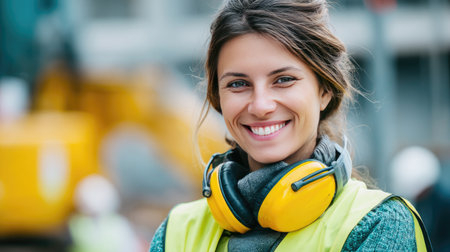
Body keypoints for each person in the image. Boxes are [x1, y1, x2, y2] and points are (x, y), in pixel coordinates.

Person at [150, 0, 432, 251]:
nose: (260, 106)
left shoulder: (378, 225)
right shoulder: (176, 232)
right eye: (238, 84)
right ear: (218, 98)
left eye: (283, 79)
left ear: (324, 91)